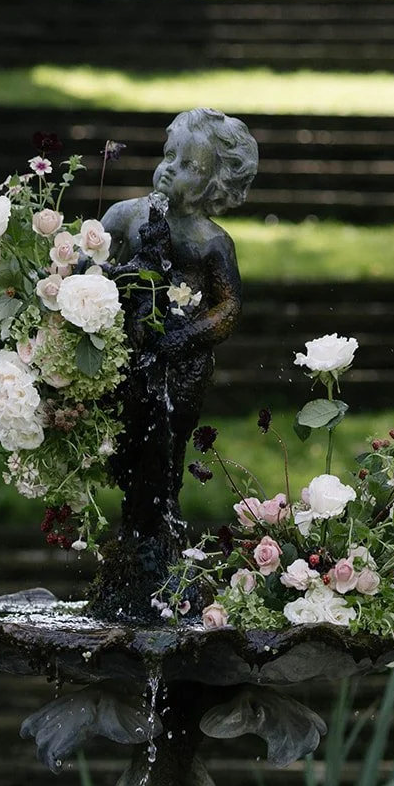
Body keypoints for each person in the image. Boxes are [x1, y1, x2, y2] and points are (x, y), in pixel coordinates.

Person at [89, 110, 258, 620]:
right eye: (168, 157)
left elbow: (228, 307)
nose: (168, 170)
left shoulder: (211, 242)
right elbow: (84, 264)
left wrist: (184, 336)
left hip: (179, 372)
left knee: (162, 461)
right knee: (125, 452)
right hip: (125, 362)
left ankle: (154, 550)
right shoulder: (125, 217)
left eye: (186, 166)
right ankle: (136, 548)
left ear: (212, 184)